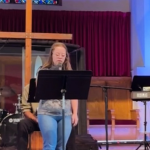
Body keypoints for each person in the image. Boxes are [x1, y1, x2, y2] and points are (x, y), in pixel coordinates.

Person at [37, 42, 78, 150]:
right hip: (47, 113)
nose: (60, 57)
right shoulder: (43, 71)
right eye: (57, 54)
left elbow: (74, 95)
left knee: (61, 147)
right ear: (52, 55)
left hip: (65, 114)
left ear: (66, 57)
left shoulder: (69, 73)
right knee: (50, 145)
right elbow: (39, 89)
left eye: (63, 55)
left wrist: (75, 113)